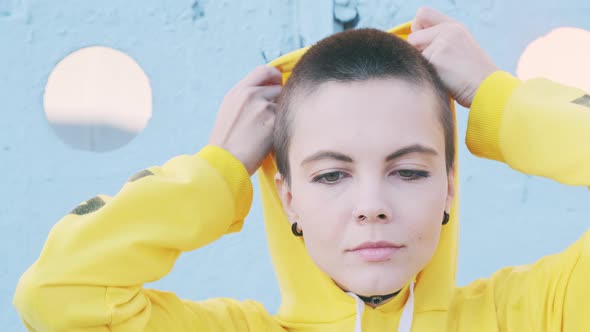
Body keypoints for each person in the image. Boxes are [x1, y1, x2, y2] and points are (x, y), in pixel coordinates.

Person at [13, 6, 590, 331]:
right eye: (331, 175)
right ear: (287, 197)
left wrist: (500, 101)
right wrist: (218, 171)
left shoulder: (539, 314)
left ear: (449, 188)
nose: (371, 204)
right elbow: (56, 293)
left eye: (408, 171)